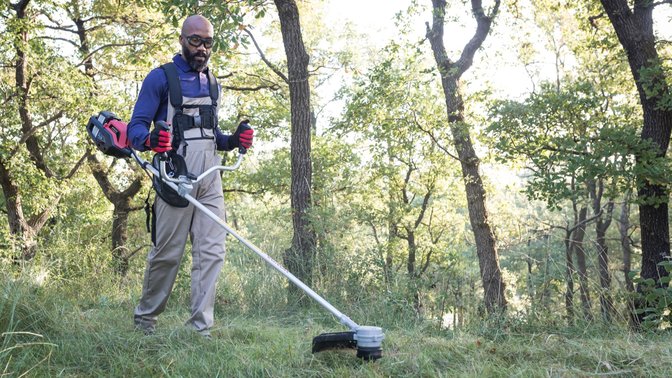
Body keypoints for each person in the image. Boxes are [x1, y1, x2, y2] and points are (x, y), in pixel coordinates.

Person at [127, 14, 254, 337]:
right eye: (195, 41)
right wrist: (151, 140)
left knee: (212, 252)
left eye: (208, 42)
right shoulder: (160, 78)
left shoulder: (213, 82)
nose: (202, 48)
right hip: (175, 179)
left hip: (211, 179)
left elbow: (213, 136)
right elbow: (136, 129)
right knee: (168, 253)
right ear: (182, 40)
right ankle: (146, 320)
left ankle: (200, 329)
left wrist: (234, 141)